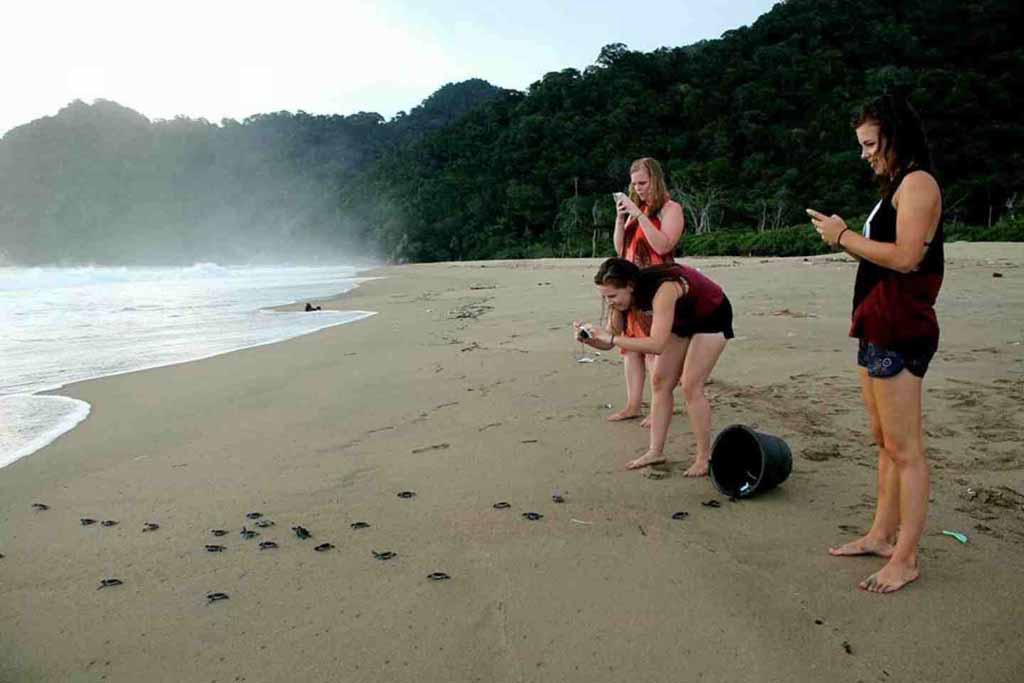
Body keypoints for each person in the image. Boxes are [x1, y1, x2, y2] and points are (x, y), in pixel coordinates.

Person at [808, 94, 944, 594]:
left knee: (907, 450)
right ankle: (882, 535)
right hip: (875, 324)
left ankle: (906, 557)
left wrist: (841, 236)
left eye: (869, 143)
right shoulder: (895, 188)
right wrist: (843, 236)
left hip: (901, 326)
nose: (864, 153)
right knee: (884, 441)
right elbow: (885, 255)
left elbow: (907, 257)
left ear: (893, 136)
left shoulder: (918, 184)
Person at [576, 258, 732, 475]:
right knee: (659, 381)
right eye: (605, 297)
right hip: (681, 320)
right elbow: (611, 340)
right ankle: (655, 451)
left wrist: (609, 338)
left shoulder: (664, 288)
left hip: (711, 315)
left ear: (630, 286)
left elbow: (656, 345)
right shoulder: (622, 300)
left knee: (690, 385)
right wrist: (590, 339)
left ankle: (704, 458)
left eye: (612, 296)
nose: (610, 302)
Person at [608, 158, 685, 423]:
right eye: (634, 184)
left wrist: (640, 215)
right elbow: (621, 250)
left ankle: (658, 406)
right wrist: (621, 219)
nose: (638, 189)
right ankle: (633, 404)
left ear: (655, 179)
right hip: (633, 286)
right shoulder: (635, 209)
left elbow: (663, 246)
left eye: (642, 183)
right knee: (631, 349)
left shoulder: (670, 209)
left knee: (654, 349)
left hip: (659, 285)